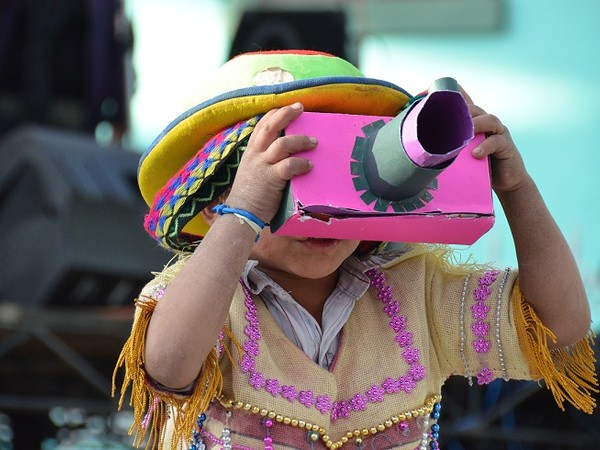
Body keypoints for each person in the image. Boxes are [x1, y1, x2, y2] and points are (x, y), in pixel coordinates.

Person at [113, 50, 597, 450]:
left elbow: (558, 331)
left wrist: (517, 188)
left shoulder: (418, 293)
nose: (321, 212)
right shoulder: (205, 296)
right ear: (216, 196)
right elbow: (168, 367)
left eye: (344, 175)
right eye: (283, 179)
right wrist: (244, 214)